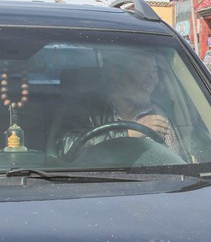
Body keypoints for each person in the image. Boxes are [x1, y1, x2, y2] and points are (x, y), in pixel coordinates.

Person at [56, 50, 185, 160]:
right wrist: (129, 133)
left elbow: (176, 162)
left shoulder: (157, 112)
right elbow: (66, 149)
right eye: (142, 69)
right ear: (115, 73)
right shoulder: (86, 106)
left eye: (154, 71)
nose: (152, 79)